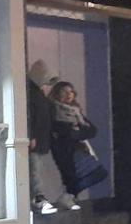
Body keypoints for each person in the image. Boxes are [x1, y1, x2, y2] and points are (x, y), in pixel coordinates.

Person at [48, 81, 103, 211]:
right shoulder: (53, 109)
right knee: (70, 175)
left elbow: (91, 130)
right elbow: (60, 130)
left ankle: (69, 197)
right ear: (57, 93)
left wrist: (76, 132)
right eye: (64, 92)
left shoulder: (76, 110)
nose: (68, 95)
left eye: (71, 91)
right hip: (63, 149)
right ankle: (69, 199)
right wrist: (74, 131)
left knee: (94, 173)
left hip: (79, 148)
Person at [27, 76, 57, 215]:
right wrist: (31, 135)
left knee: (35, 170)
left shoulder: (37, 94)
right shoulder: (34, 94)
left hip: (39, 140)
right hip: (36, 140)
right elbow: (30, 116)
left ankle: (37, 198)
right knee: (35, 170)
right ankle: (38, 198)